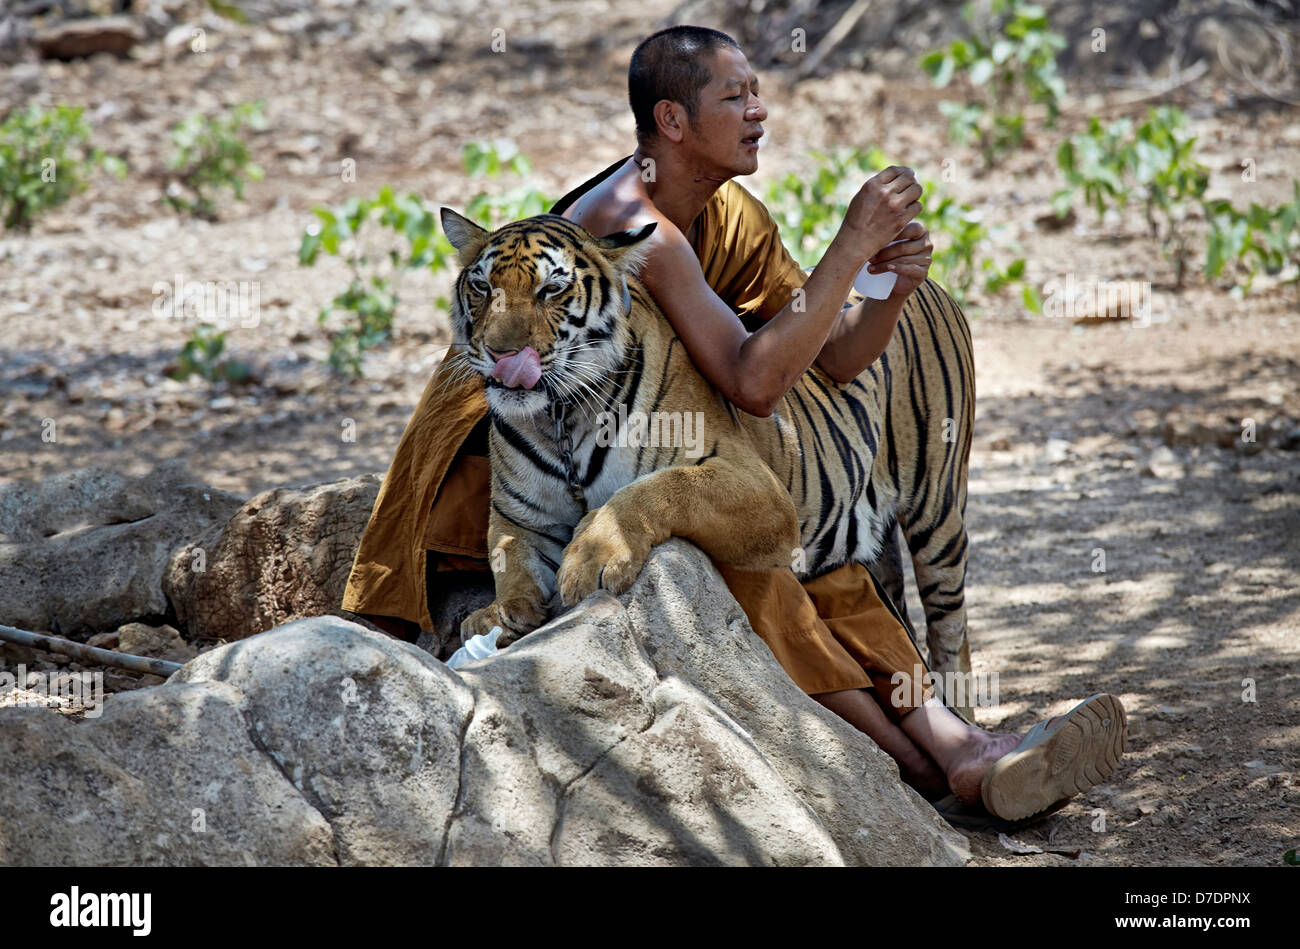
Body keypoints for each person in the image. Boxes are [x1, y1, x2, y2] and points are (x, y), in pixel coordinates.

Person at [341, 25, 1126, 822]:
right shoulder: (627, 219)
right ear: (673, 122)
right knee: (757, 564)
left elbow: (825, 355)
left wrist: (887, 286)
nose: (759, 112)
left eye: (757, 94)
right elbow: (754, 381)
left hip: (656, 420)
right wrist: (849, 241)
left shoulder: (730, 214)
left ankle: (962, 752)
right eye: (735, 97)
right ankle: (938, 767)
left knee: (813, 553)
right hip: (523, 417)